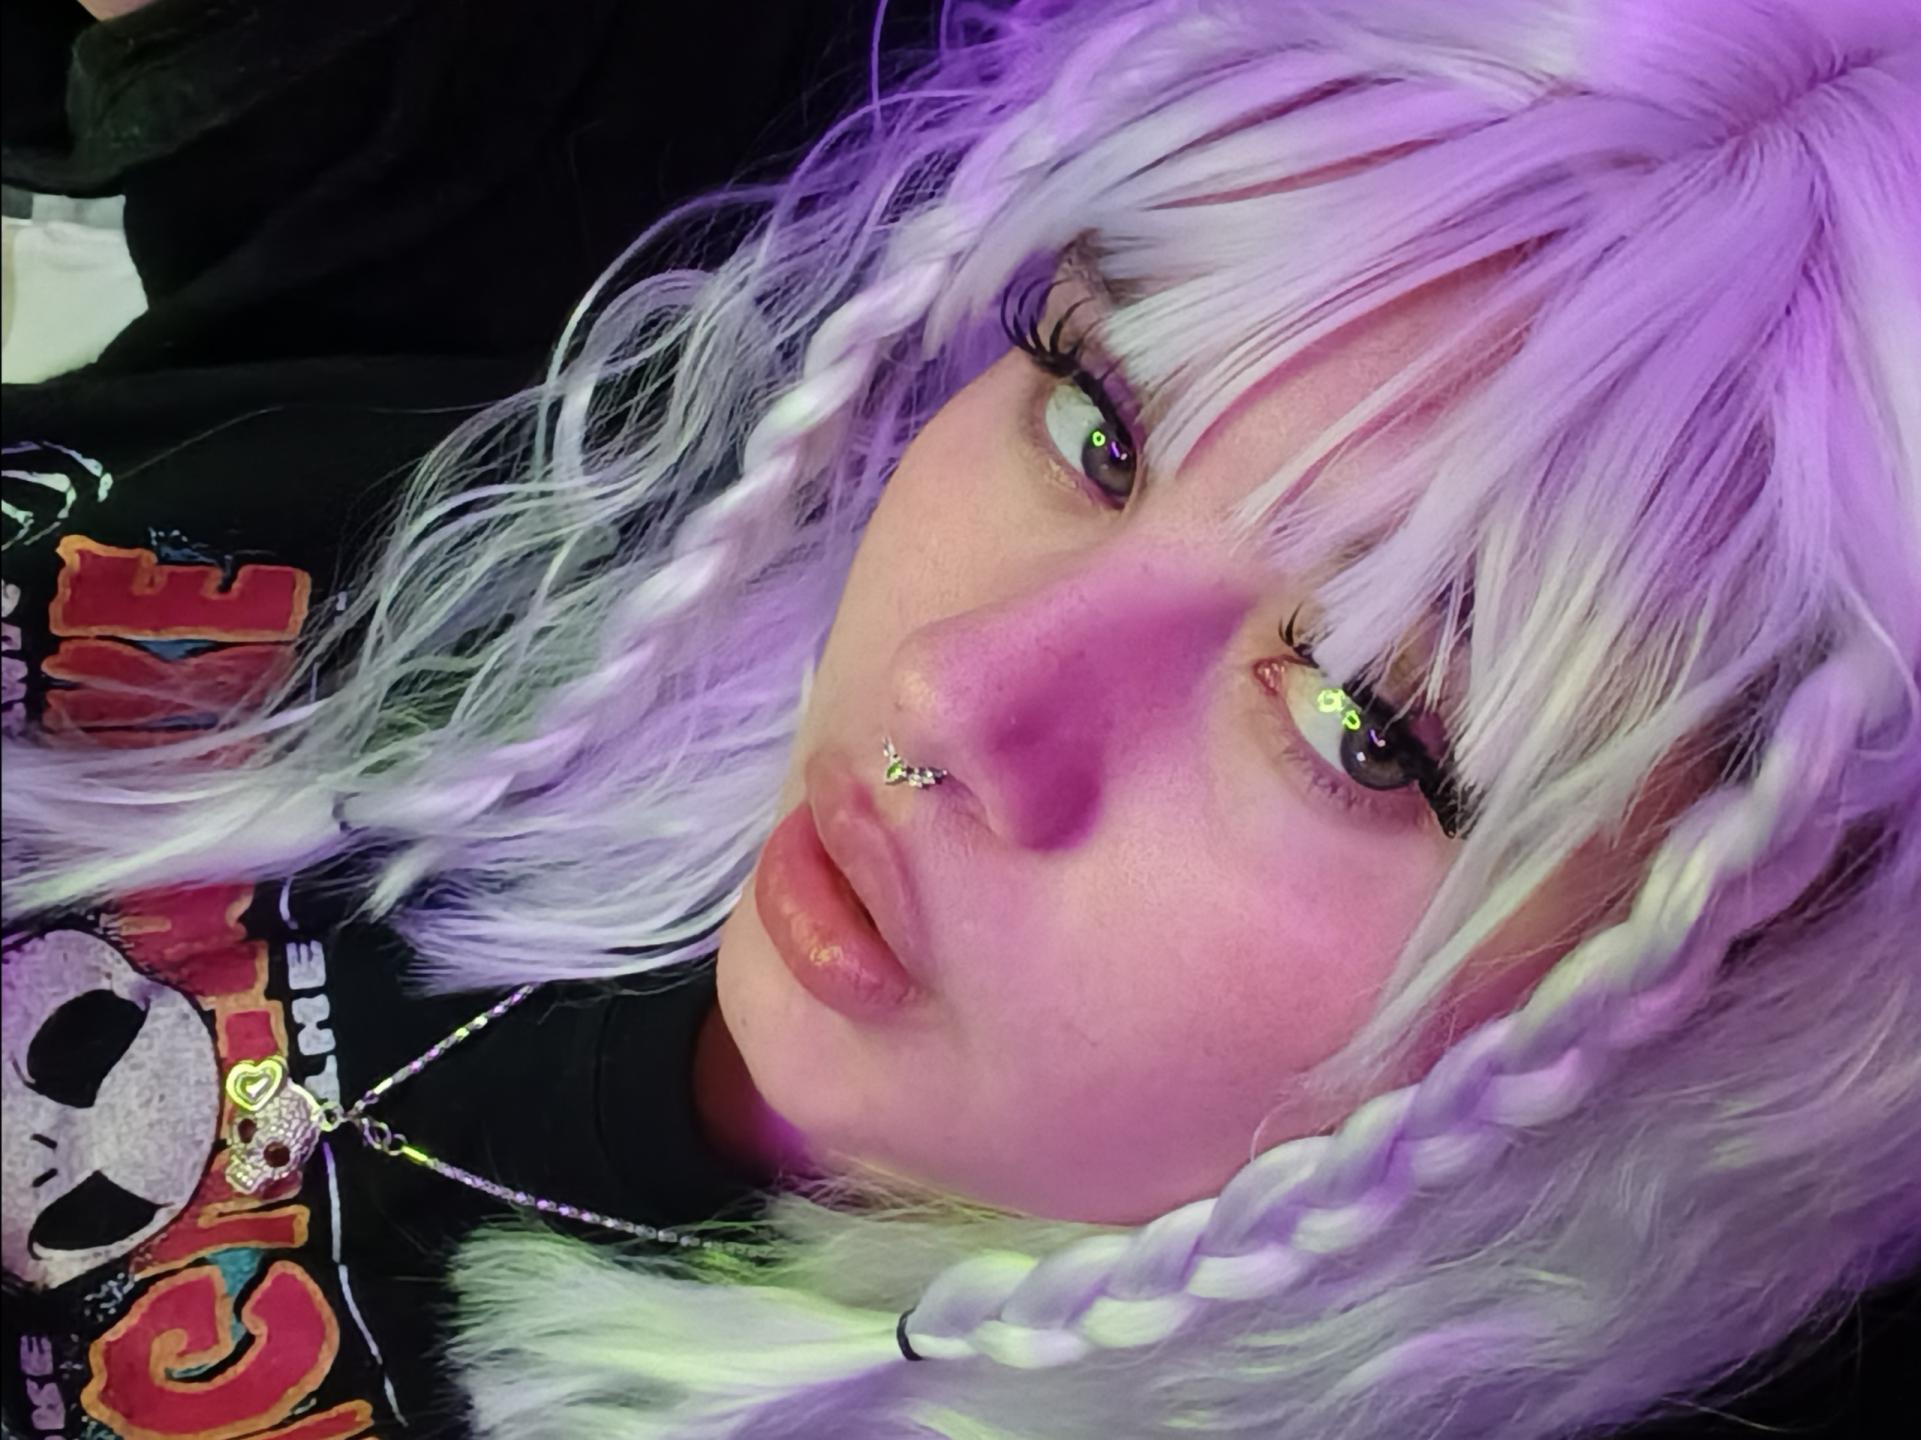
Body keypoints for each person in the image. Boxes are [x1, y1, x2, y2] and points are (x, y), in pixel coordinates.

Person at [4, 0, 1918, 1436]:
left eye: (1360, 724)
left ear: (1743, 1000)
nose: (951, 689)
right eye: (1096, 424)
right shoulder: (614, 444)